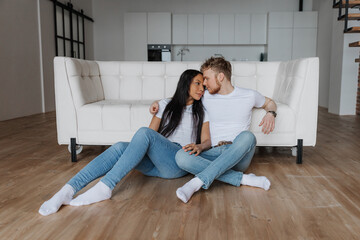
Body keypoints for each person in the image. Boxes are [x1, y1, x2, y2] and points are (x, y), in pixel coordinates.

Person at [39, 69, 211, 216]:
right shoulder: (165, 104)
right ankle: (67, 191)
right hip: (153, 165)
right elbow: (151, 136)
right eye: (197, 83)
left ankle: (106, 186)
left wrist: (199, 146)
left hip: (175, 163)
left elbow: (206, 141)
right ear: (185, 83)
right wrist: (158, 106)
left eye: (203, 86)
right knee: (121, 146)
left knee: (144, 133)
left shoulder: (202, 111)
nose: (201, 89)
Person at [150, 57, 276, 203]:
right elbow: (182, 97)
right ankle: (243, 179)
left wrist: (271, 113)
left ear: (220, 77)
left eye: (206, 79)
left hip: (238, 154)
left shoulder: (249, 95)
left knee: (248, 136)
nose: (203, 84)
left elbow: (269, 102)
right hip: (212, 152)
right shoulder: (205, 96)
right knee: (181, 157)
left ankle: (196, 183)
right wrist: (159, 103)